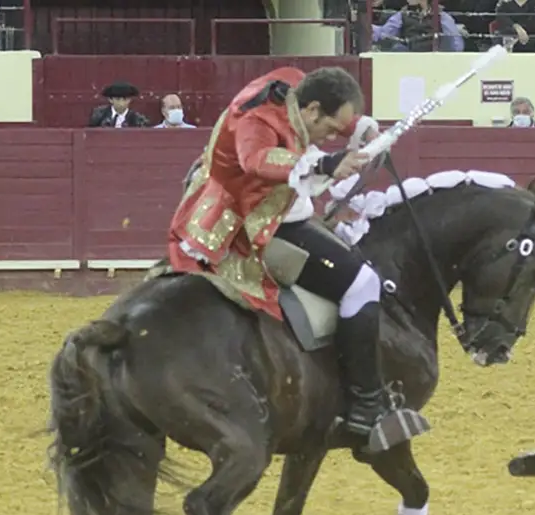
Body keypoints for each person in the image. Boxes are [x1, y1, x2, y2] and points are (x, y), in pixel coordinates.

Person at [168, 65, 413, 442]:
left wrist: (360, 129)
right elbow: (256, 160)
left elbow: (327, 108)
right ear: (311, 111)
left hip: (256, 210)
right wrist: (327, 162)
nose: (332, 137)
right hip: (251, 225)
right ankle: (366, 405)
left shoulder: (295, 88)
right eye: (330, 129)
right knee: (362, 283)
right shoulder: (256, 121)